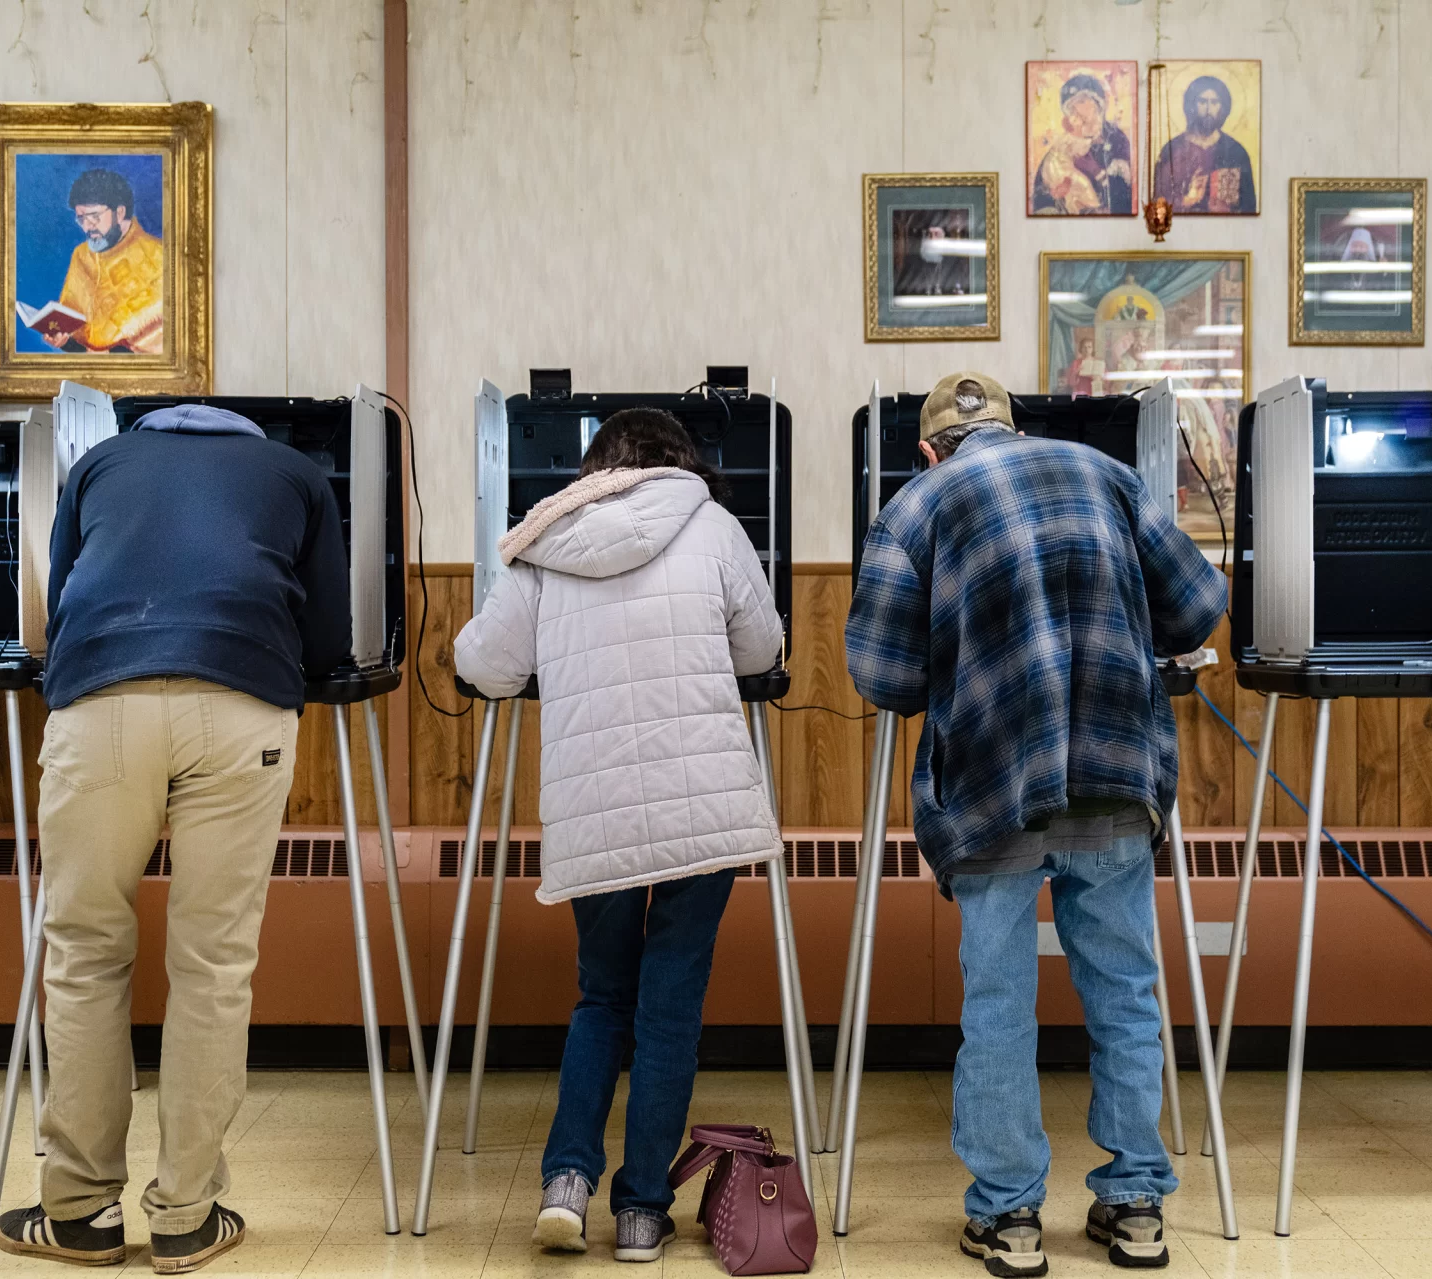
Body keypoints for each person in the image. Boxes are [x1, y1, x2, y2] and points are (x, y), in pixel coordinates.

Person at [845, 372, 1227, 1275]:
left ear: (930, 448)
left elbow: (881, 677)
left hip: (993, 788)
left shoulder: (916, 506)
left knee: (998, 1004)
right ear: (1016, 431)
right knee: (1125, 988)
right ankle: (1135, 1203)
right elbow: (1199, 604)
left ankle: (1009, 1217)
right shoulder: (1106, 473)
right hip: (1113, 769)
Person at [0, 403, 350, 1274]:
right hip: (242, 706)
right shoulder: (299, 476)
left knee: (83, 950)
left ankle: (78, 1211)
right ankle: (188, 1216)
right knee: (214, 961)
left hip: (99, 702)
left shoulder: (101, 463)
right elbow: (331, 641)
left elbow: (55, 607)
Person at [455, 409, 783, 1264]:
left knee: (602, 996)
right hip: (700, 810)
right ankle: (641, 1214)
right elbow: (761, 648)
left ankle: (566, 1180)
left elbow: (486, 667)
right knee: (669, 1009)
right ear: (683, 463)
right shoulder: (713, 525)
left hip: (593, 815)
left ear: (595, 467)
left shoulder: (548, 538)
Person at [47, 167, 165, 353]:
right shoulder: (81, 255)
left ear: (119, 213)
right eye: (81, 218)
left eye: (94, 217)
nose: (87, 227)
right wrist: (64, 340)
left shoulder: (159, 258)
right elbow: (79, 339)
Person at [1151, 75, 1256, 214]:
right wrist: (1186, 201)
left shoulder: (1236, 152)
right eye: (1202, 102)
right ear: (1191, 105)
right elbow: (1158, 204)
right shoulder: (1172, 149)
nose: (1208, 109)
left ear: (1223, 107)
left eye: (1214, 102)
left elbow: (1249, 207)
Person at [1031, 72, 1133, 215]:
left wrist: (1096, 171)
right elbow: (1040, 196)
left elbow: (1125, 199)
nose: (1075, 109)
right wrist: (1055, 193)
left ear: (1098, 103)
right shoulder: (1064, 145)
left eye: (1080, 101)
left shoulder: (1116, 140)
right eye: (1070, 106)